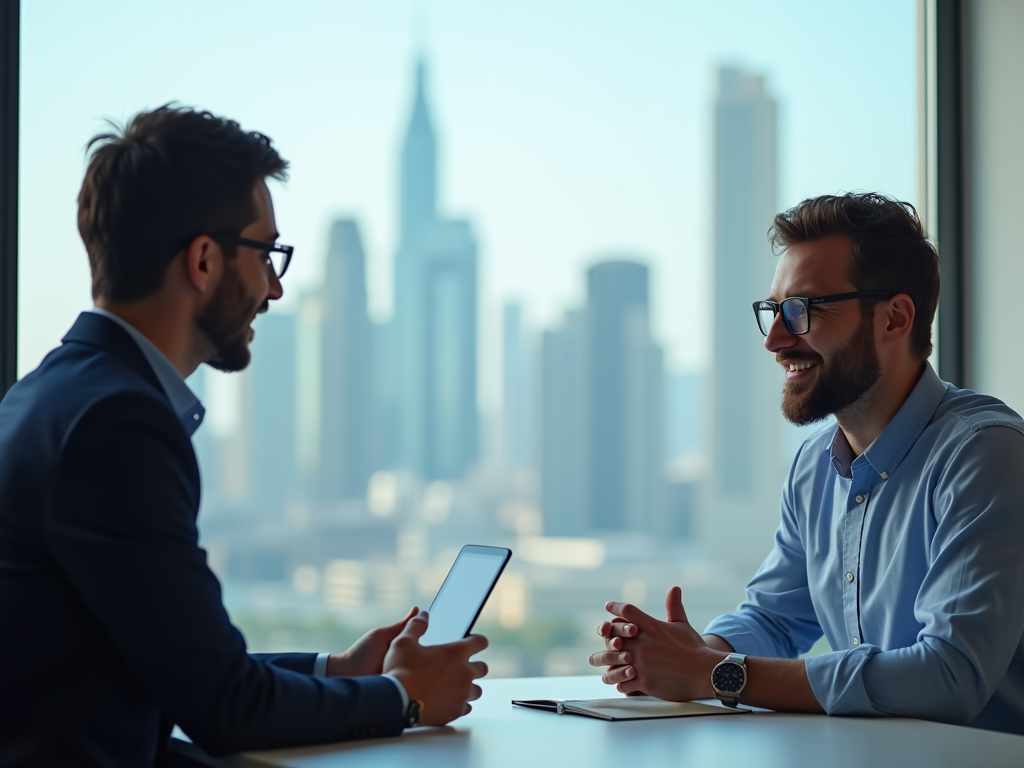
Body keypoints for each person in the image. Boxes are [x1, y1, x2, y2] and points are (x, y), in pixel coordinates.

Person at [0, 106, 488, 767]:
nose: (277, 287)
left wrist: (336, 670)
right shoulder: (118, 425)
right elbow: (224, 707)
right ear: (203, 260)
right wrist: (400, 697)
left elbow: (173, 659)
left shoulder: (51, 394)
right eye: (268, 254)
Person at [589, 193, 1024, 734]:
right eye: (774, 310)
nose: (775, 340)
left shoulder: (985, 454)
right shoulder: (814, 465)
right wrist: (687, 654)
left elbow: (949, 676)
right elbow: (774, 618)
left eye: (802, 310)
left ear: (894, 318)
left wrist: (718, 675)